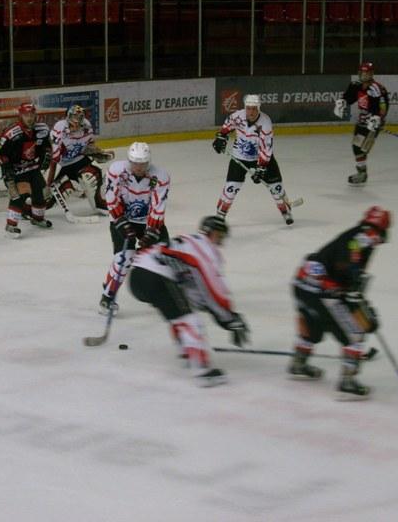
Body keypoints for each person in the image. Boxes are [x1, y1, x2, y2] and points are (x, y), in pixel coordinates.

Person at [129, 215, 249, 387]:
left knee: (179, 310)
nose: (221, 240)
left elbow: (195, 291)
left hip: (137, 278)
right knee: (189, 319)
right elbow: (213, 287)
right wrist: (229, 318)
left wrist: (221, 315)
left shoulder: (188, 242)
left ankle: (186, 350)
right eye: (220, 235)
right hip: (154, 276)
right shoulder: (205, 248)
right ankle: (202, 371)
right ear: (213, 233)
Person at [288, 206, 391, 398]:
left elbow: (348, 263)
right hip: (322, 289)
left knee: (312, 328)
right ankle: (348, 382)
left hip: (301, 282)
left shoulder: (356, 234)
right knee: (355, 333)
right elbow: (349, 263)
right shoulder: (365, 236)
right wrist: (359, 306)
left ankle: (298, 364)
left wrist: (354, 290)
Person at [99, 141, 170, 314]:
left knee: (165, 253)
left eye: (143, 164)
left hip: (147, 221)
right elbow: (111, 198)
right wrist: (122, 223)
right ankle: (107, 297)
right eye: (135, 163)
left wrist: (152, 232)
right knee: (125, 257)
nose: (139, 167)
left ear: (148, 162)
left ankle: (165, 293)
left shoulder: (160, 176)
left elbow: (158, 206)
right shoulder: (116, 171)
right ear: (130, 161)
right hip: (121, 219)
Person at [212, 94, 294, 225]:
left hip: (261, 158)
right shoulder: (237, 116)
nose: (251, 111)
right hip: (240, 156)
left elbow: (266, 148)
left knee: (276, 187)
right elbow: (227, 126)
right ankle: (220, 214)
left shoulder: (265, 123)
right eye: (249, 108)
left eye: (254, 108)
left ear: (258, 108)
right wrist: (221, 137)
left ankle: (285, 210)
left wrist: (261, 167)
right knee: (231, 187)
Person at [0, 102, 52, 237]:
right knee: (21, 193)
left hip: (32, 168)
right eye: (27, 115)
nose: (30, 118)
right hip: (15, 170)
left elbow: (46, 147)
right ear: (20, 116)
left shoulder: (41, 130)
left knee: (42, 193)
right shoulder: (10, 133)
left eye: (32, 114)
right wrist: (7, 169)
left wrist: (46, 156)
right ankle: (11, 225)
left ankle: (37, 218)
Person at [45, 104, 111, 213]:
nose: (76, 122)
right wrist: (49, 183)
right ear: (68, 117)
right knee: (48, 198)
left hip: (78, 160)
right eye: (74, 117)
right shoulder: (60, 128)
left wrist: (97, 152)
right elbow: (54, 157)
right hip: (61, 164)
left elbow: (89, 145)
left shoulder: (86, 126)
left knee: (93, 175)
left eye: (79, 118)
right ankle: (34, 208)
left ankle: (97, 202)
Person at [334, 62, 390, 185]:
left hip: (373, 123)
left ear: (371, 74)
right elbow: (350, 97)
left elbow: (383, 106)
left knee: (363, 148)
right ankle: (362, 173)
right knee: (356, 147)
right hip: (362, 121)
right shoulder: (356, 85)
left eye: (367, 73)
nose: (364, 76)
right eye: (362, 73)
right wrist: (342, 102)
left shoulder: (377, 89)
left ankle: (362, 173)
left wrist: (378, 118)